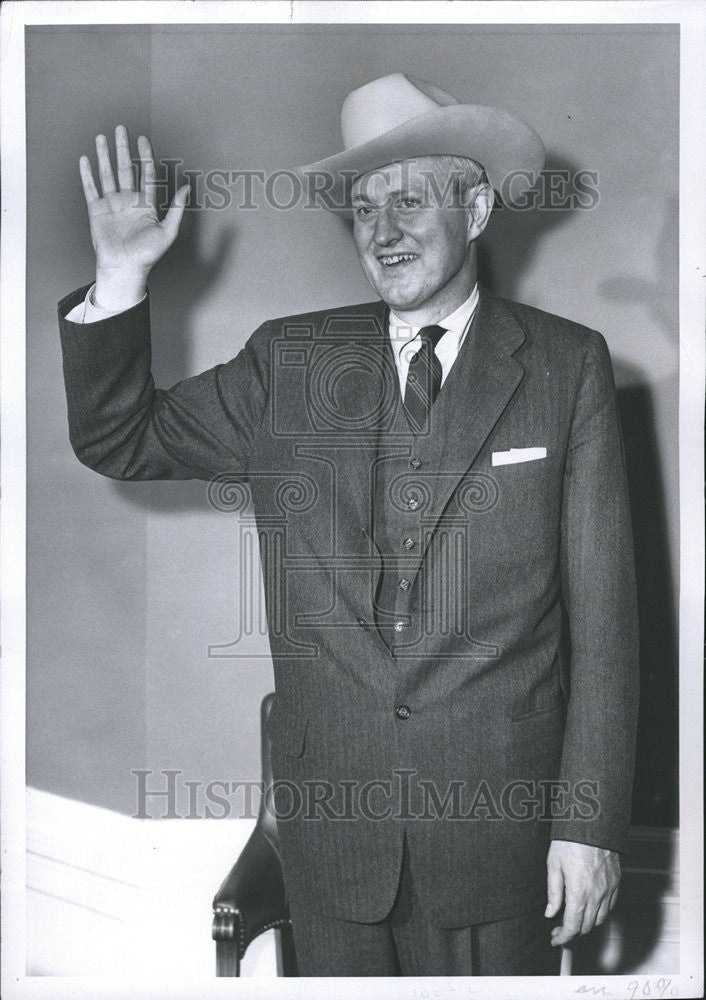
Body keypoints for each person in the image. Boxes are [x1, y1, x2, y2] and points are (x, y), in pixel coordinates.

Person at [58, 73, 639, 977]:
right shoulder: (289, 363)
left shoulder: (566, 369)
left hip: (500, 847)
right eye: (363, 206)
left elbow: (605, 628)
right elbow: (118, 436)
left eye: (409, 198)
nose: (381, 229)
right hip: (335, 855)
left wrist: (589, 826)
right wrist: (123, 274)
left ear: (477, 207)